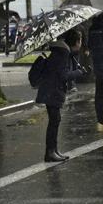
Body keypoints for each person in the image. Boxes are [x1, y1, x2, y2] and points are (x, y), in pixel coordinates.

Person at [36, 30, 86, 162]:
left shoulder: (64, 53)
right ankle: (50, 152)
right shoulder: (63, 54)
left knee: (55, 120)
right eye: (80, 40)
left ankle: (54, 150)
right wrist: (78, 73)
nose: (81, 43)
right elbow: (63, 76)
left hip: (52, 89)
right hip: (52, 90)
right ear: (76, 42)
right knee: (54, 121)